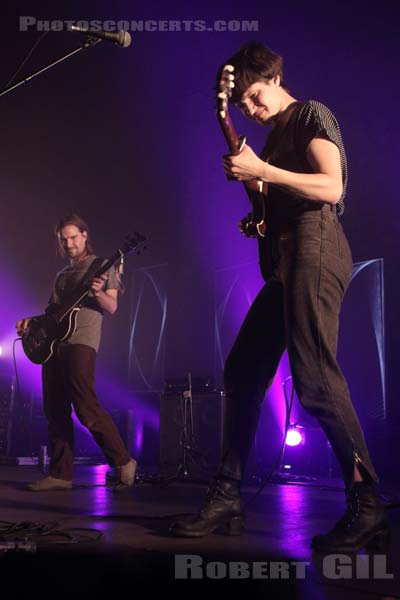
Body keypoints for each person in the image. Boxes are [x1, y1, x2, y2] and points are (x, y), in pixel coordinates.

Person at [170, 41, 388, 552]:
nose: (250, 107)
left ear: (273, 75)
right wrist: (258, 210)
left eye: (254, 94)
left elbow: (331, 189)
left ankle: (368, 501)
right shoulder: (269, 144)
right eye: (241, 103)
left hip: (318, 246)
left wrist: (263, 174)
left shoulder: (311, 114)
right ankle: (227, 494)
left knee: (314, 376)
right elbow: (276, 204)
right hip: (287, 259)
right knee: (243, 371)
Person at [16, 214, 137, 492]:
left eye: (73, 237)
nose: (69, 244)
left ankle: (123, 461)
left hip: (81, 341)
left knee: (85, 405)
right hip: (54, 345)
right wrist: (31, 321)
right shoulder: (62, 274)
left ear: (84, 235)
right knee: (54, 409)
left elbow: (112, 307)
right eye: (64, 239)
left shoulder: (102, 266)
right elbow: (52, 314)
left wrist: (97, 293)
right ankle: (61, 474)